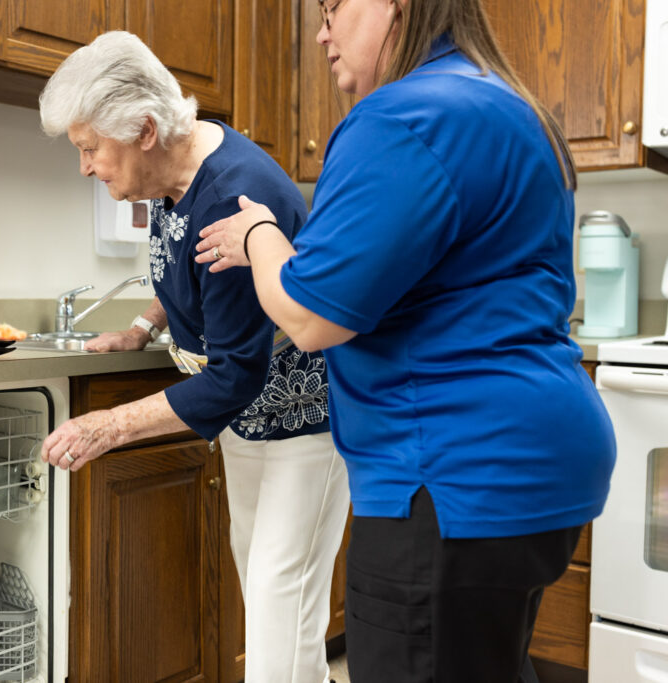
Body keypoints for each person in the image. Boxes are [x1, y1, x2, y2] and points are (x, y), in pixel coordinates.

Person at [194, 1, 616, 682]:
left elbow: (310, 315)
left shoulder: (401, 117)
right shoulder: (510, 106)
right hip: (538, 462)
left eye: (332, 7)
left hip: (449, 472)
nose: (321, 31)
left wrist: (260, 235)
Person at [37, 30, 350, 683]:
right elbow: (184, 270)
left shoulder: (234, 194)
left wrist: (109, 425)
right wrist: (143, 326)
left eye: (90, 149)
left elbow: (236, 373)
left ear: (145, 130)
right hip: (245, 420)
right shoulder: (171, 175)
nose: (86, 166)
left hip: (302, 420)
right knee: (268, 593)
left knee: (279, 605)